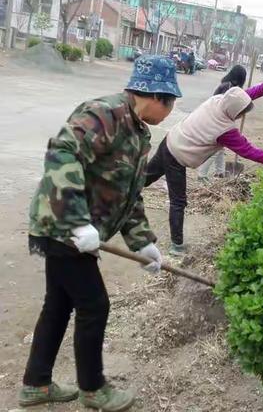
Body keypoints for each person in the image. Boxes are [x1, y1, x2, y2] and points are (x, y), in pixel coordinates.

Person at [19, 55, 182, 411]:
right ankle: (93, 389)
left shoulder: (139, 134)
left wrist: (145, 244)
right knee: (95, 305)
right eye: (171, 104)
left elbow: (128, 195)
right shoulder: (103, 114)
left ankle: (36, 384)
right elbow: (62, 152)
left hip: (78, 232)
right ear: (157, 96)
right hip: (63, 227)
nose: (169, 112)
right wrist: (77, 220)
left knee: (59, 304)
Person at [144, 75, 263, 256]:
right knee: (178, 201)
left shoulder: (218, 100)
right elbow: (247, 150)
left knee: (145, 177)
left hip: (171, 139)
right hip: (177, 155)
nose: (241, 116)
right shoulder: (225, 129)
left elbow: (239, 97)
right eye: (241, 113)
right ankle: (176, 246)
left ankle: (121, 193)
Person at [197, 65, 248, 179]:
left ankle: (220, 172)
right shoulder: (228, 88)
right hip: (216, 121)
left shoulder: (228, 85)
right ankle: (202, 174)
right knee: (215, 149)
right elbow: (225, 107)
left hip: (215, 119)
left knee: (220, 149)